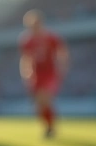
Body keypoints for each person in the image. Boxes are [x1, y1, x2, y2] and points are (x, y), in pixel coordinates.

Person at [19, 10, 67, 138]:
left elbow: (62, 52)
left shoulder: (51, 37)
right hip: (36, 75)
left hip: (49, 73)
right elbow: (25, 59)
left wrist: (62, 67)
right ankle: (48, 126)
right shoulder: (27, 40)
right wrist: (26, 74)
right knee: (39, 106)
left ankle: (50, 127)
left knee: (45, 98)